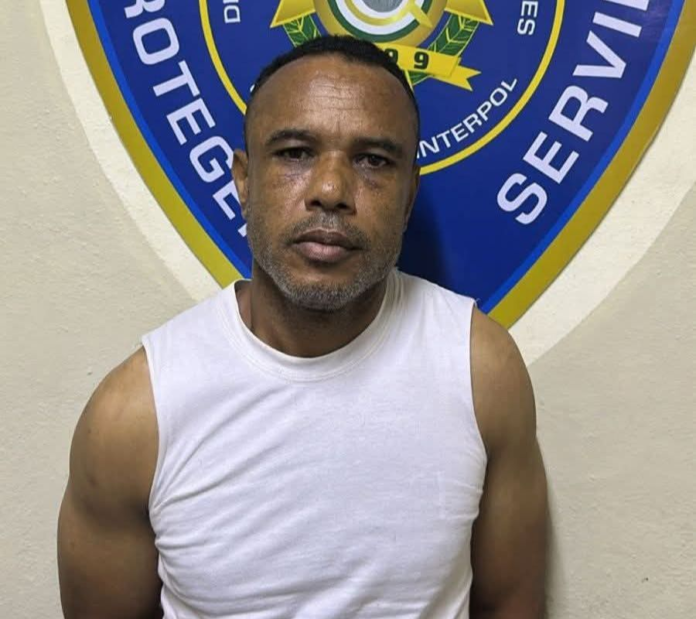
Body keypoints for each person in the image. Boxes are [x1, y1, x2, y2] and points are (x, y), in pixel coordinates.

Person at [57, 36, 548, 619]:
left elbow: (513, 604)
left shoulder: (480, 370)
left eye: (373, 161)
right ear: (244, 180)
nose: (330, 191)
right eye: (294, 153)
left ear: (409, 195)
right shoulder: (136, 416)